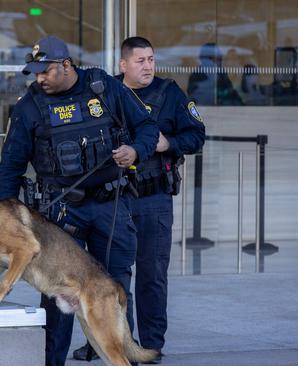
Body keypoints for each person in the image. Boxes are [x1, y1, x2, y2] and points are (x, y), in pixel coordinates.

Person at [0, 35, 159, 366]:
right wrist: (6, 220)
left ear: (66, 65)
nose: (39, 78)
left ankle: (122, 358)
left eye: (45, 71)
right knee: (58, 298)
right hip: (59, 212)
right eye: (35, 73)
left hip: (109, 207)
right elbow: (11, 167)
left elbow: (146, 127)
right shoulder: (30, 106)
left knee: (112, 290)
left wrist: (135, 151)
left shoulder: (104, 88)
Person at [75, 36, 206, 364]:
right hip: (111, 199)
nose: (147, 66)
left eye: (151, 59)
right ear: (123, 65)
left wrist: (169, 144)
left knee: (151, 274)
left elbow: (196, 136)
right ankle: (106, 343)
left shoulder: (169, 93)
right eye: (140, 61)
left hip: (153, 200)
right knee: (107, 277)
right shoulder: (102, 94)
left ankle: (150, 346)